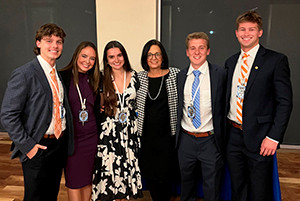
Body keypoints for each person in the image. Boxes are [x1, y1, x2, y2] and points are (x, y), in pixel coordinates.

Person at [0, 23, 74, 201]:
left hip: (58, 144)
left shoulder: (57, 74)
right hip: (37, 145)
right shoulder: (25, 74)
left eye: (58, 41)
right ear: (38, 43)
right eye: (49, 41)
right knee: (35, 196)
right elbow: (8, 115)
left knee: (51, 194)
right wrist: (29, 147)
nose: (54, 46)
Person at [225, 10, 293, 201]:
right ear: (236, 33)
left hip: (261, 138)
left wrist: (273, 137)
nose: (246, 33)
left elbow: (285, 102)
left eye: (252, 29)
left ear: (260, 32)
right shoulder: (231, 62)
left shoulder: (276, 60)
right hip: (233, 136)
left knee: (259, 191)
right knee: (238, 188)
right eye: (242, 29)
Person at [176, 32, 226, 201]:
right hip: (186, 140)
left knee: (212, 188)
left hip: (210, 141)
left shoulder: (220, 74)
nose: (197, 52)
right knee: (186, 186)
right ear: (187, 52)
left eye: (201, 48)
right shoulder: (180, 76)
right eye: (193, 48)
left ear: (208, 50)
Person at [92, 40, 143, 201]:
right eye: (111, 56)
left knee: (126, 179)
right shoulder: (101, 78)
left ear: (124, 56)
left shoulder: (135, 76)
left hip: (129, 132)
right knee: (111, 177)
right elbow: (97, 106)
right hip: (109, 135)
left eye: (119, 55)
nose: (116, 59)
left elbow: (138, 105)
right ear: (106, 60)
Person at [136, 39, 180, 201]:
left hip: (168, 137)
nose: (153, 58)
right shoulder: (139, 78)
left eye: (157, 54)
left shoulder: (175, 74)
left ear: (163, 56)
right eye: (150, 54)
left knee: (166, 176)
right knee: (152, 176)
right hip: (147, 139)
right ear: (145, 58)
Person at [60, 41, 101, 201]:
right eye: (84, 56)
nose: (87, 61)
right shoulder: (63, 76)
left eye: (92, 58)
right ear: (76, 55)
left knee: (87, 180)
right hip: (73, 140)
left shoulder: (96, 79)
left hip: (92, 138)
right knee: (74, 182)